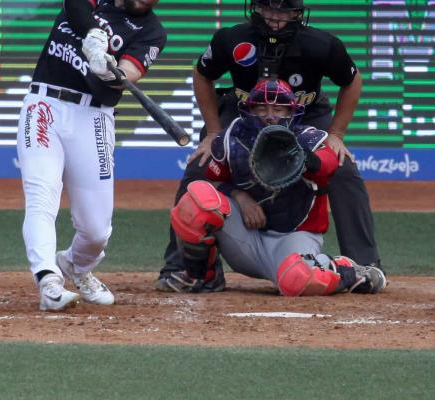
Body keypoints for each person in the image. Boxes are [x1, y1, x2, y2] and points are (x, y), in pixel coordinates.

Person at [156, 0, 382, 292]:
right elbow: (203, 74)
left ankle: (364, 264)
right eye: (269, 9)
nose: (276, 18)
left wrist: (336, 134)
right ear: (256, 8)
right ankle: (184, 268)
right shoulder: (232, 39)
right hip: (245, 112)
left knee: (342, 169)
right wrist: (213, 132)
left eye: (285, 11)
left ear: (298, 13)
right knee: (200, 169)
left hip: (305, 113)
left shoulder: (321, 44)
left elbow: (352, 81)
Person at [166, 78, 386, 296]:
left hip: (292, 239)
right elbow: (212, 180)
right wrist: (239, 197)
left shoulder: (309, 140)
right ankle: (204, 277)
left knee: (297, 280)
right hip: (246, 238)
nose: (270, 116)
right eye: (261, 108)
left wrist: (307, 160)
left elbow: (328, 165)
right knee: (196, 200)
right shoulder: (232, 139)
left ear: (292, 113)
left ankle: (347, 270)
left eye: (279, 109)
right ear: (249, 110)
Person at [18, 0, 166, 310]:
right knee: (42, 195)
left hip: (94, 117)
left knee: (96, 230)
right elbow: (75, 6)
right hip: (45, 102)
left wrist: (109, 71)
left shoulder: (152, 32)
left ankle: (76, 265)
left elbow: (126, 76)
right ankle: (48, 280)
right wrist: (94, 35)